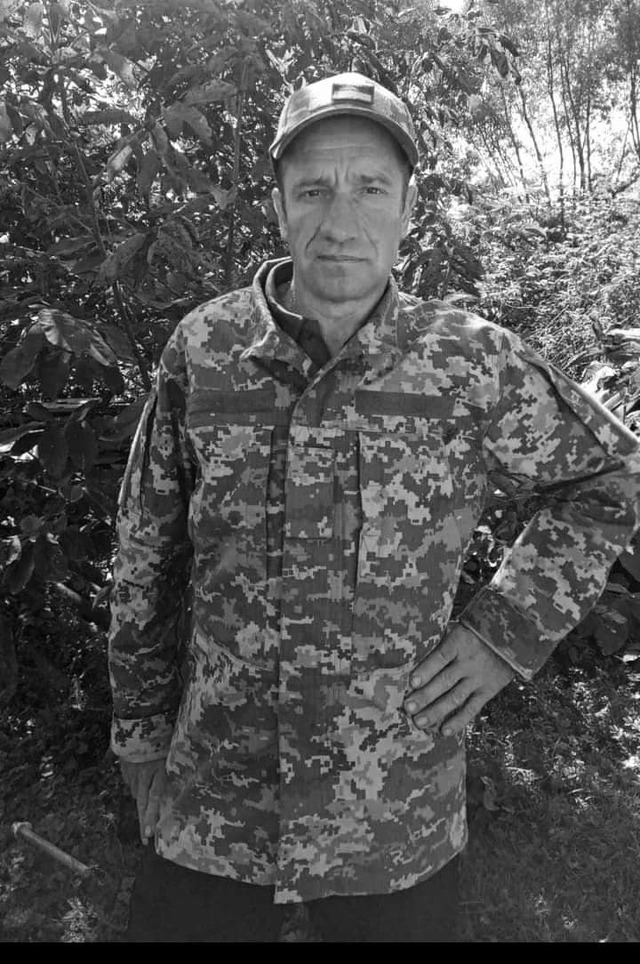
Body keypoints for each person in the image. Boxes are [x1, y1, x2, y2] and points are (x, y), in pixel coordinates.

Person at [108, 72, 640, 942]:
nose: (341, 220)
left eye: (370, 188)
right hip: (215, 805)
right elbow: (146, 548)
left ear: (408, 208)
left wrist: (504, 632)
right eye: (314, 189)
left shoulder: (468, 363)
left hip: (394, 816)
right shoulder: (203, 351)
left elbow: (614, 475)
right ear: (279, 205)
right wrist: (137, 729)